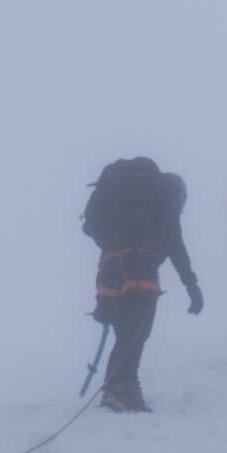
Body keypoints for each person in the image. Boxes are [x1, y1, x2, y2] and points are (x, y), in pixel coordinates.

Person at [83, 159, 202, 413]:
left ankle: (118, 388)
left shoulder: (122, 198)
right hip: (140, 271)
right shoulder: (163, 200)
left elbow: (89, 227)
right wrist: (192, 285)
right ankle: (122, 390)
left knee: (124, 332)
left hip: (109, 270)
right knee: (135, 333)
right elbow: (175, 245)